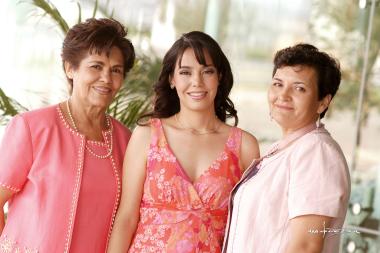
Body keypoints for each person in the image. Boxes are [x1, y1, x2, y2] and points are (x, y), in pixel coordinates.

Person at [107, 31, 260, 253]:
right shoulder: (147, 135)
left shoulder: (244, 146)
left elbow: (251, 229)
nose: (196, 82)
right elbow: (126, 218)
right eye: (185, 72)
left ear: (220, 76)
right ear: (172, 79)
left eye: (207, 71)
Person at [0, 18, 135, 252]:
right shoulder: (32, 128)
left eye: (116, 70)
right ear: (70, 68)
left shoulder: (128, 142)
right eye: (96, 66)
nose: (106, 78)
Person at [223, 43, 351, 253]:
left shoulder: (316, 153)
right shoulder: (287, 148)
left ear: (322, 102)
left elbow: (306, 246)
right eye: (278, 84)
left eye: (299, 88)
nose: (283, 95)